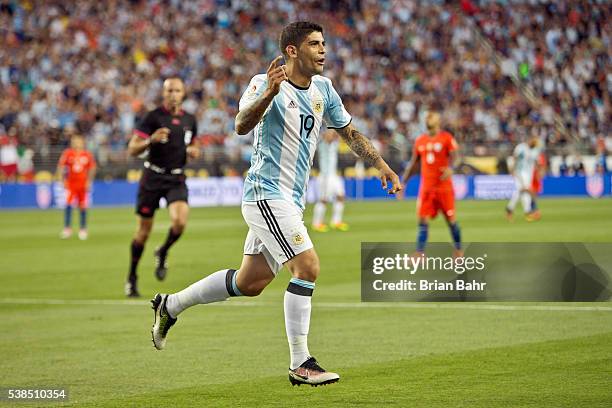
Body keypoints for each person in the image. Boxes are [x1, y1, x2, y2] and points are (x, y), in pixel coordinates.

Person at [149, 22, 401, 387]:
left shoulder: (324, 89)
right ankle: (301, 363)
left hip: (291, 200)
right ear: (292, 51)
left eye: (324, 44)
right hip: (266, 194)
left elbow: (349, 132)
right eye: (314, 44)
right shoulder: (264, 83)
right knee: (308, 267)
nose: (323, 50)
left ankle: (169, 305)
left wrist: (380, 164)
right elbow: (240, 124)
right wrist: (270, 91)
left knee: (250, 282)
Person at [125, 77, 200, 297]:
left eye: (177, 90)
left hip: (176, 178)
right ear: (163, 93)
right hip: (152, 177)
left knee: (179, 222)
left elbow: (193, 143)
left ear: (183, 93)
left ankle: (163, 250)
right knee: (143, 233)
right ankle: (132, 276)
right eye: (169, 90)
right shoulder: (152, 117)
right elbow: (132, 149)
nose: (173, 94)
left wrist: (195, 150)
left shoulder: (190, 119)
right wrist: (151, 140)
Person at [401, 111, 462, 256]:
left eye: (432, 116)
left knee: (451, 220)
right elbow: (414, 164)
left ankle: (458, 251)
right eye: (427, 116)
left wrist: (452, 168)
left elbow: (458, 158)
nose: (428, 118)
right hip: (427, 188)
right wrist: (403, 183)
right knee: (422, 220)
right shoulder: (420, 140)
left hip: (444, 188)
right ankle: (419, 253)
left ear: (438, 120)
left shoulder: (446, 138)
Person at [57, 134, 96, 240]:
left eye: (77, 141)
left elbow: (92, 168)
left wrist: (89, 181)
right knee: (68, 205)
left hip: (82, 184)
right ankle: (67, 229)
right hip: (71, 184)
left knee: (83, 206)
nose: (75, 143)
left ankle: (83, 229)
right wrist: (61, 179)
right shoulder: (68, 153)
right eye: (74, 141)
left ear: (82, 142)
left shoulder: (87, 154)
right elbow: (61, 166)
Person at [312, 128, 348, 232]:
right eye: (331, 133)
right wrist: (330, 133)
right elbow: (327, 137)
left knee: (341, 196)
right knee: (323, 200)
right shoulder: (322, 143)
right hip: (325, 176)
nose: (333, 135)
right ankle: (317, 223)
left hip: (333, 175)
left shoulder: (335, 143)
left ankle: (336, 221)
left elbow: (339, 135)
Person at [506, 134, 541, 222]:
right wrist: (512, 170)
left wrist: (537, 173)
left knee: (520, 192)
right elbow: (515, 158)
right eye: (533, 140)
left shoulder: (535, 150)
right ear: (529, 140)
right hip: (520, 172)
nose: (534, 143)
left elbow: (536, 162)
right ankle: (528, 212)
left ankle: (509, 209)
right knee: (526, 190)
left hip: (529, 174)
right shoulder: (521, 147)